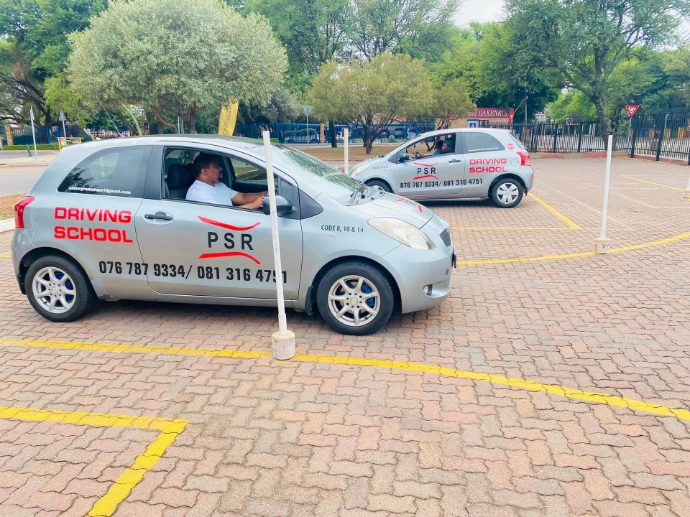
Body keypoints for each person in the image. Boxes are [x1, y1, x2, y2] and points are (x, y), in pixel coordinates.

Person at [186, 153, 266, 210]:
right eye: (216, 166)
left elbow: (242, 197)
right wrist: (253, 205)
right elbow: (221, 215)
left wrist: (266, 194)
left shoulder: (219, 185)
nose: (221, 168)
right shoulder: (197, 192)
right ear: (204, 171)